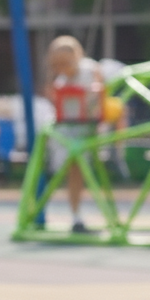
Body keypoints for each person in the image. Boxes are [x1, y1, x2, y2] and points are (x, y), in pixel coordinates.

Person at [45, 35, 102, 233]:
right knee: (68, 171)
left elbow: (99, 94)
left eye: (65, 63)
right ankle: (75, 215)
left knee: (79, 171)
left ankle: (78, 215)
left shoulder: (89, 70)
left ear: (77, 57)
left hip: (85, 130)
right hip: (67, 132)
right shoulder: (61, 81)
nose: (61, 68)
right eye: (56, 65)